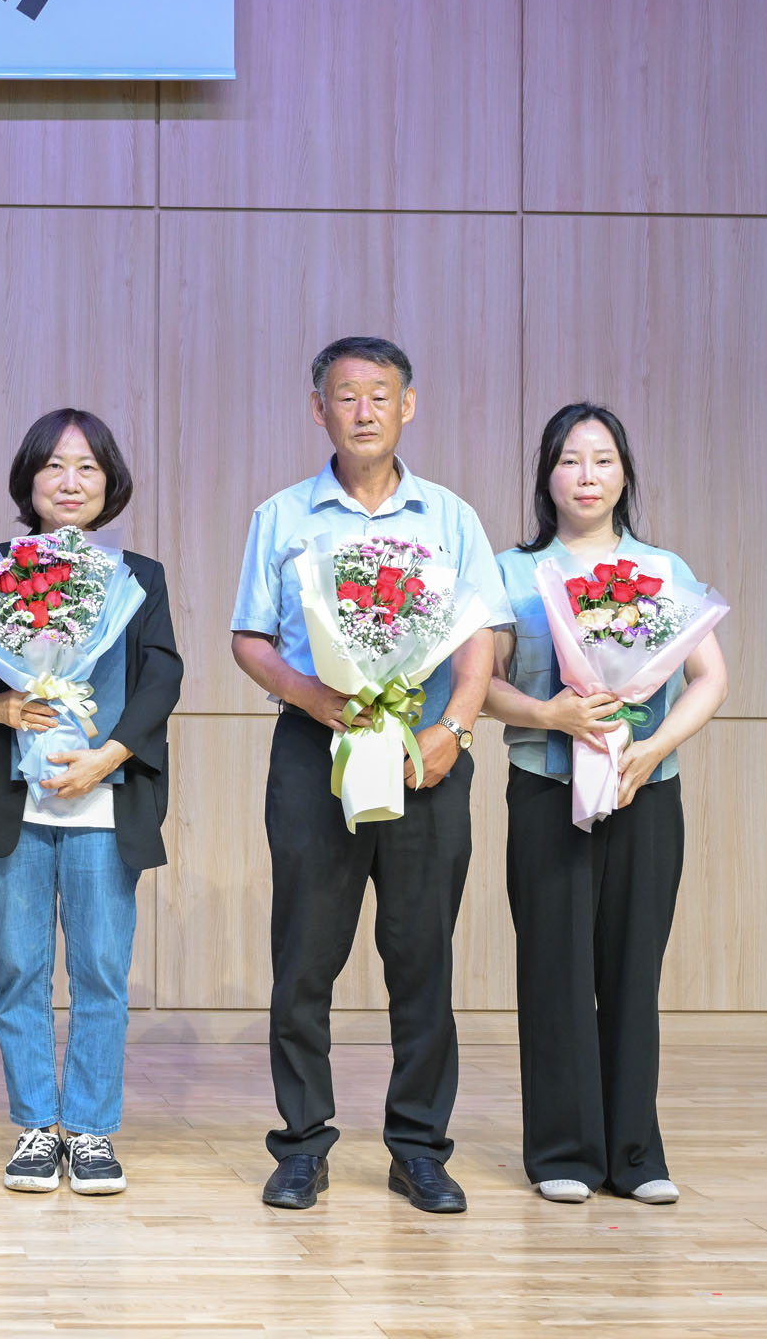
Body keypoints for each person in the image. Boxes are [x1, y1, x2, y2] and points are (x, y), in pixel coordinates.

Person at [229, 335, 512, 1214]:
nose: (363, 411)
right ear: (320, 409)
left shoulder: (451, 518)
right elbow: (250, 638)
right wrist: (314, 699)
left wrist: (455, 728)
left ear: (407, 405)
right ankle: (302, 1145)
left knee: (421, 956)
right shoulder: (282, 516)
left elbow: (480, 634)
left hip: (428, 752)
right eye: (346, 396)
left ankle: (419, 1148)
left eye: (379, 395)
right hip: (317, 747)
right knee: (304, 957)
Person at [483, 403, 728, 1205]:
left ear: (625, 475)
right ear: (546, 475)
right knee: (555, 968)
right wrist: (548, 713)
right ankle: (565, 1151)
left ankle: (635, 1152)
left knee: (633, 969)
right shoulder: (513, 571)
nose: (585, 476)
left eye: (602, 460)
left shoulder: (662, 569)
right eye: (569, 460)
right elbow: (480, 685)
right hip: (547, 789)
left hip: (645, 790)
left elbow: (710, 679)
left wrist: (654, 749)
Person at [0, 410, 180, 1195]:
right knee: (19, 968)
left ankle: (94, 1130)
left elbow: (163, 675)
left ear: (109, 484)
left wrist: (110, 755)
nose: (69, 482)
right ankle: (37, 1126)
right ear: (29, 480)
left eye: (87, 468)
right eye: (54, 466)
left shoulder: (138, 574)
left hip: (105, 801)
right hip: (16, 801)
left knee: (102, 969)